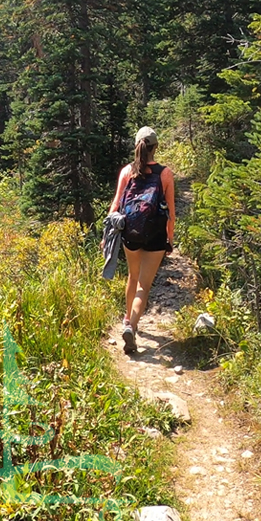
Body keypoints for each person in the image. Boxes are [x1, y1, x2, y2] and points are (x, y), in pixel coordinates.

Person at [107, 126, 175, 354]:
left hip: (130, 233)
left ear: (137, 146)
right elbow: (171, 213)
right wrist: (169, 239)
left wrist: (107, 237)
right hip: (155, 235)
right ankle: (131, 325)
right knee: (144, 286)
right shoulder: (165, 174)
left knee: (132, 277)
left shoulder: (127, 171)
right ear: (155, 147)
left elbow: (116, 205)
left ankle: (128, 319)